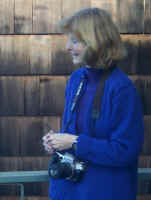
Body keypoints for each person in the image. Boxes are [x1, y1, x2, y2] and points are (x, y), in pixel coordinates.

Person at [42, 8, 144, 200]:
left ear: (95, 42)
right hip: (68, 192)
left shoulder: (122, 89)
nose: (67, 47)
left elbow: (125, 151)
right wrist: (56, 142)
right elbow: (74, 132)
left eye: (74, 41)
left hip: (104, 192)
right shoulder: (76, 79)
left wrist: (74, 142)